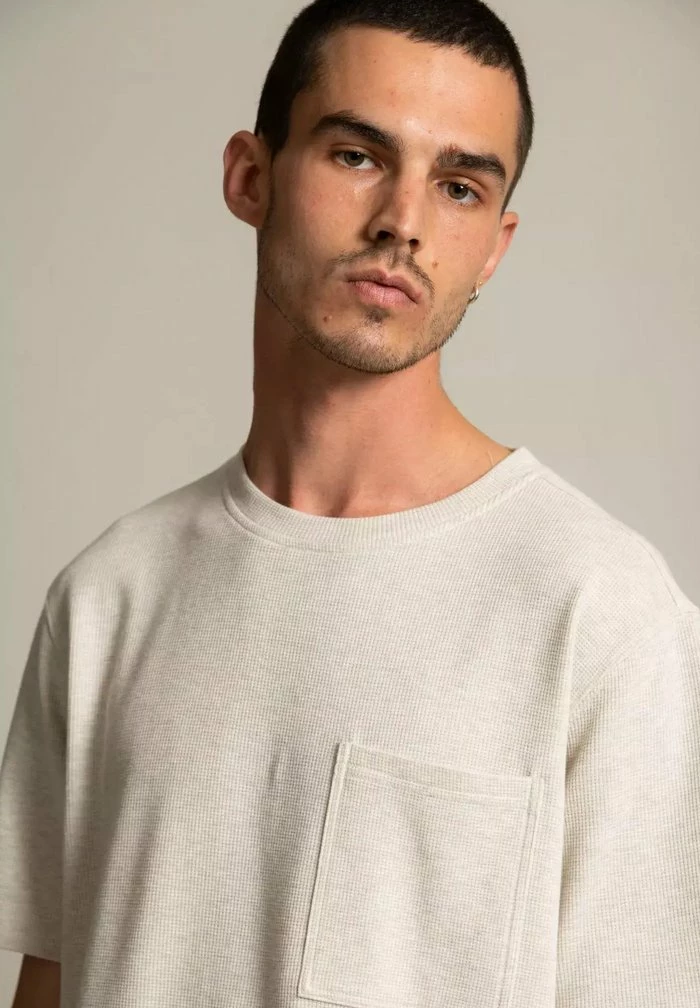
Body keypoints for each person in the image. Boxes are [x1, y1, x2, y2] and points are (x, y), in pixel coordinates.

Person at [1, 0, 699, 1005]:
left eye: (458, 186)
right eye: (357, 156)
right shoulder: (111, 594)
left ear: (493, 247)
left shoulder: (602, 614)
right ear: (250, 177)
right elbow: (52, 984)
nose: (402, 222)